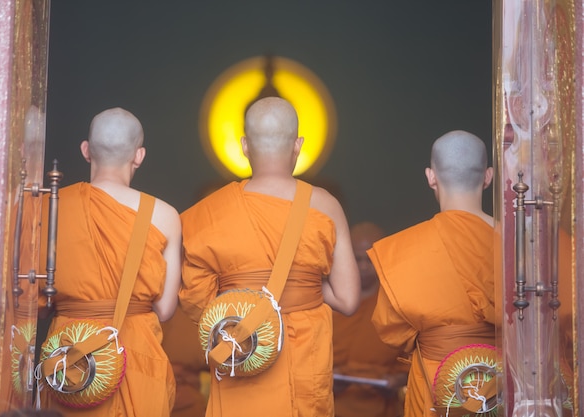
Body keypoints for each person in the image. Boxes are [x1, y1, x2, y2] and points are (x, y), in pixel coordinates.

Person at [179, 96, 361, 417]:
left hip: (241, 351)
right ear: (298, 145)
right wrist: (306, 285)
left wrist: (243, 303)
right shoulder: (325, 205)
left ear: (245, 145)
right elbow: (347, 299)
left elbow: (197, 301)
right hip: (305, 359)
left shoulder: (209, 213)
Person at [38, 107, 182, 416]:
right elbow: (167, 309)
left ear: (86, 150)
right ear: (139, 155)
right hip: (135, 357)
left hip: (69, 358)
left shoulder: (51, 209)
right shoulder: (165, 215)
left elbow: (33, 299)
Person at [367, 130, 495, 417]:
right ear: (488, 177)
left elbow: (391, 330)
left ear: (431, 176)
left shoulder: (406, 248)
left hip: (436, 381)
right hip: (507, 381)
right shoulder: (521, 244)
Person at [332, 222, 408, 417]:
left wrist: (398, 380)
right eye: (357, 259)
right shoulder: (330, 301)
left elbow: (412, 362)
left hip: (381, 408)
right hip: (332, 405)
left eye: (370, 260)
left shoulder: (396, 305)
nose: (364, 267)